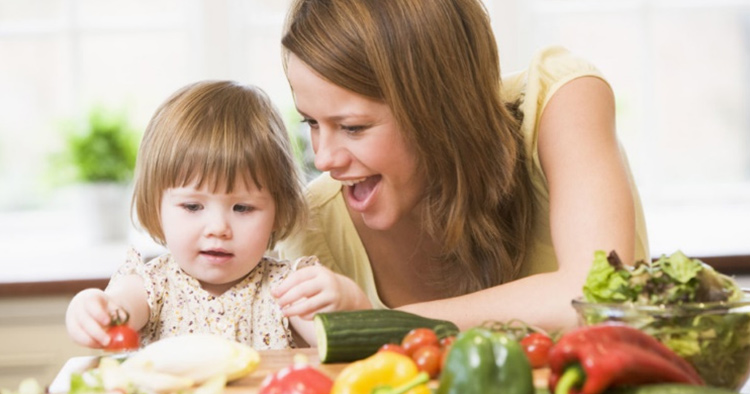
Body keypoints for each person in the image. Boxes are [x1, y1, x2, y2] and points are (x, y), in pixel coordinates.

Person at [272, 0, 649, 332]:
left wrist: (384, 323)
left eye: (353, 127)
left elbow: (597, 298)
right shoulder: (314, 227)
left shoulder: (561, 103)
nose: (324, 159)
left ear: (439, 109)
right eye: (311, 123)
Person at [65, 80, 371, 350]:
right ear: (156, 207)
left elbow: (342, 342)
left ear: (278, 212)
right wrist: (91, 309)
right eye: (192, 207)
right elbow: (117, 309)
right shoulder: (152, 286)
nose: (218, 228)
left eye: (243, 208)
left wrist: (349, 301)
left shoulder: (285, 290)